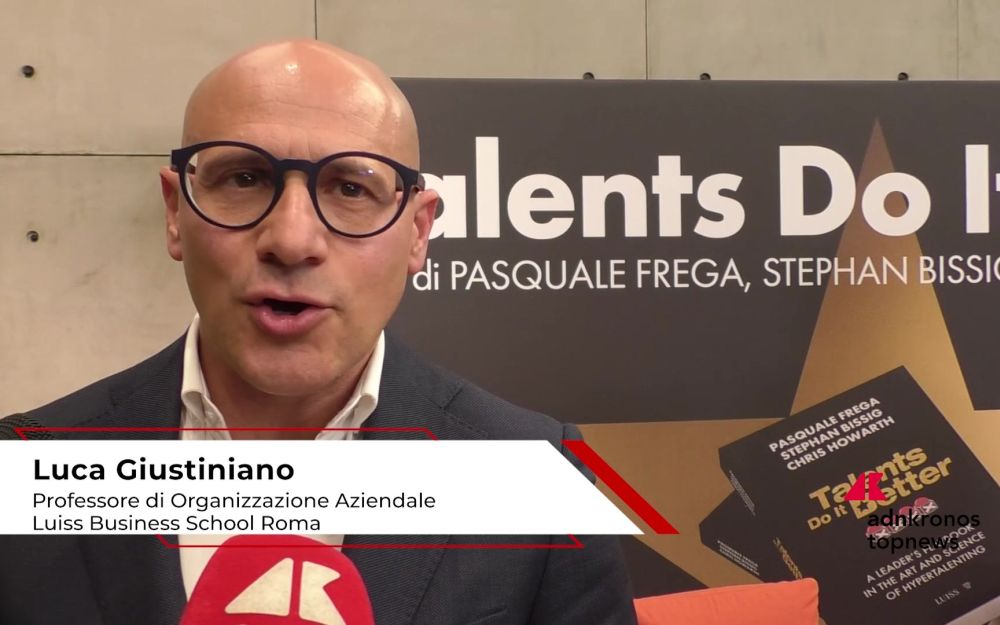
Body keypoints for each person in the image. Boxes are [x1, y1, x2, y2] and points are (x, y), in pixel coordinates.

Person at [0, 40, 637, 625]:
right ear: (175, 212)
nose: (291, 239)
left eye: (351, 188)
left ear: (418, 233)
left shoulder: (533, 476)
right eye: (244, 179)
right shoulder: (25, 468)